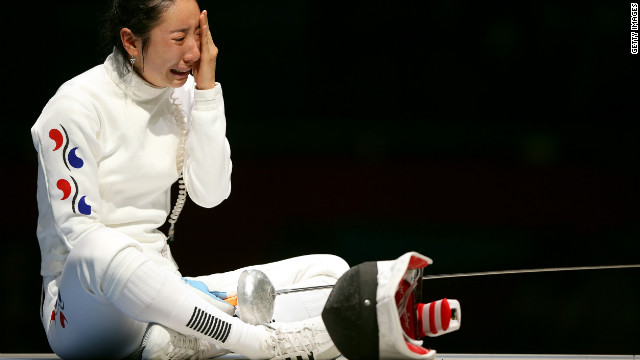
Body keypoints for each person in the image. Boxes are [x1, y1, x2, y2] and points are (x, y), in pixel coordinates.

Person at [30, 0, 349, 359]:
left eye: (197, 35)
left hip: (169, 295)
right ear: (132, 42)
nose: (195, 52)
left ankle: (181, 344)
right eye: (179, 38)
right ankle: (260, 344)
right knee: (98, 248)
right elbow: (79, 234)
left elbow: (211, 193)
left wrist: (207, 90)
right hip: (84, 314)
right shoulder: (74, 106)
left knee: (330, 273)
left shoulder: (183, 94)